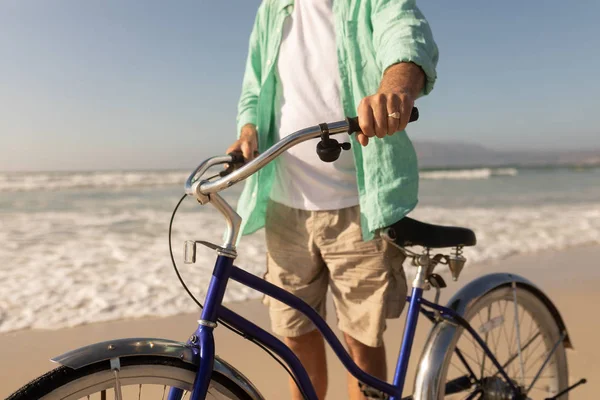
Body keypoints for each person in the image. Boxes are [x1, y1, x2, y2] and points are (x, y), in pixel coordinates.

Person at [226, 1, 438, 398]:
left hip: (359, 206)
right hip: (285, 204)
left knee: (360, 341)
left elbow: (406, 35)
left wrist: (395, 89)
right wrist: (248, 128)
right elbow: (253, 84)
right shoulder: (273, 8)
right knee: (295, 335)